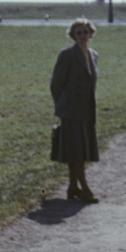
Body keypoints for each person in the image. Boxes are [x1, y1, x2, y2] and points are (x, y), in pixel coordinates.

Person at [50, 18, 101, 203]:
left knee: (79, 150)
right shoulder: (67, 55)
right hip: (71, 110)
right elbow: (56, 84)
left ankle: (73, 187)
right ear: (73, 35)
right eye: (78, 32)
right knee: (76, 151)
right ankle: (85, 189)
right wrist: (64, 104)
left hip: (87, 110)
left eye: (85, 32)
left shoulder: (93, 55)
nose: (82, 35)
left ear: (91, 34)